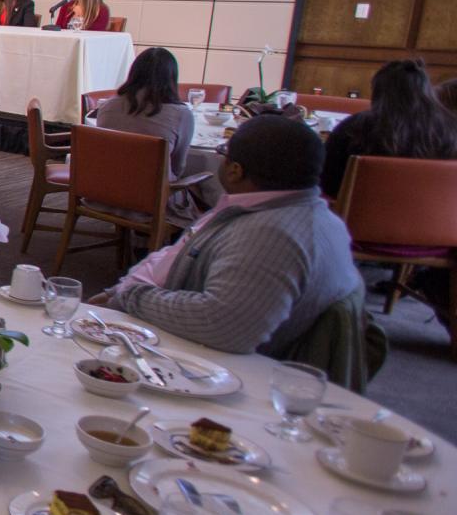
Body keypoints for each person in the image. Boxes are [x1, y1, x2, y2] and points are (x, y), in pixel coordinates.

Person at [111, 118, 360, 356]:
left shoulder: (272, 235)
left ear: (235, 171)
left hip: (209, 361)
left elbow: (222, 324)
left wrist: (132, 296)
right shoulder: (303, 213)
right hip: (163, 319)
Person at [321, 57, 457, 199]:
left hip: (357, 213)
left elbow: (327, 180)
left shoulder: (356, 126)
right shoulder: (449, 130)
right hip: (432, 216)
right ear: (426, 91)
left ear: (378, 92)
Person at [95, 47, 197, 180]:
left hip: (103, 190)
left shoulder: (107, 107)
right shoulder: (181, 115)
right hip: (154, 197)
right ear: (172, 78)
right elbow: (178, 167)